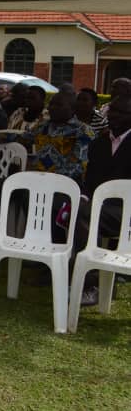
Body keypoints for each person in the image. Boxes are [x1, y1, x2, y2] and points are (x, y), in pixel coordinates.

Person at [0, 92, 96, 240]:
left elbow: (78, 167)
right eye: (51, 104)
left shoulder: (83, 131)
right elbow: (21, 138)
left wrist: (45, 179)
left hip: (64, 184)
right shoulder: (44, 126)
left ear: (72, 109)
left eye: (58, 105)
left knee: (34, 194)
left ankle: (42, 242)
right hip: (35, 180)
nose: (52, 108)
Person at [70, 96, 131, 305]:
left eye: (121, 112)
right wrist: (84, 196)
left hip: (126, 211)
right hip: (100, 206)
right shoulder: (100, 143)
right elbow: (91, 179)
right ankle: (66, 268)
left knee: (85, 214)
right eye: (112, 111)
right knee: (70, 208)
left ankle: (92, 283)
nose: (114, 116)